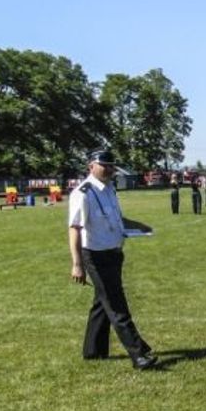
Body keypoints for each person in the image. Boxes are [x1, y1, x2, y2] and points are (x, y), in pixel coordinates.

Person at [68, 150, 158, 370]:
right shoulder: (83, 193)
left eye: (112, 165)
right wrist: (77, 264)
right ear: (91, 166)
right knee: (116, 305)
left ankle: (93, 350)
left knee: (102, 303)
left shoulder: (110, 189)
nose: (109, 169)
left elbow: (118, 218)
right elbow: (74, 228)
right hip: (96, 255)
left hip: (114, 252)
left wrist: (138, 225)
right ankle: (139, 354)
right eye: (104, 165)